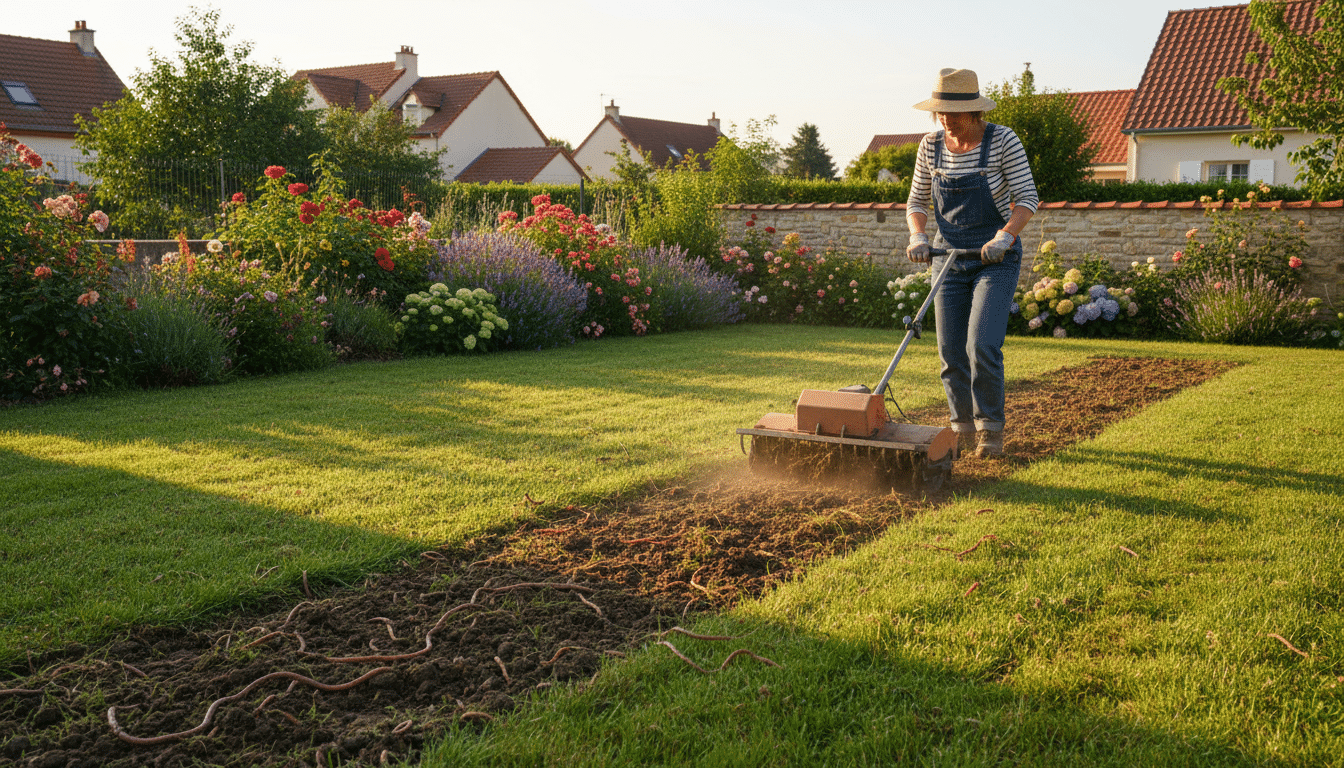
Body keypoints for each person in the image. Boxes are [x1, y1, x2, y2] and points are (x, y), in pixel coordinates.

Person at [904, 68, 1039, 458]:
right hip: (949, 257)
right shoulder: (931, 145)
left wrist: (1005, 235)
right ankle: (960, 429)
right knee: (950, 350)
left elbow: (1027, 198)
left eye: (954, 114)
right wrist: (918, 236)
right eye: (940, 113)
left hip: (994, 258)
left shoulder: (1002, 140)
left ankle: (990, 430)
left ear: (975, 113)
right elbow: (917, 202)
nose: (946, 120)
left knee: (981, 344)